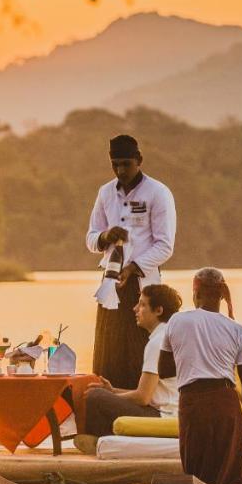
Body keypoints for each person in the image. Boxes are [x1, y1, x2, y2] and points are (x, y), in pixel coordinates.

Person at [158, 268, 242, 484]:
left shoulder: (177, 321)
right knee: (226, 471)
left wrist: (190, 358)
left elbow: (164, 370)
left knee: (197, 469)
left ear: (196, 293)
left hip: (192, 402)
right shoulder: (239, 331)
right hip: (225, 402)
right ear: (221, 296)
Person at [86, 134, 177, 388]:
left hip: (143, 285)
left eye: (126, 163)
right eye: (115, 164)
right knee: (108, 350)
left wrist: (133, 267)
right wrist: (105, 236)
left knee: (140, 350)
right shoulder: (105, 192)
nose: (120, 170)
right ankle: (107, 404)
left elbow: (165, 245)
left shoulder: (158, 192)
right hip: (110, 283)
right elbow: (91, 238)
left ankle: (143, 404)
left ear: (139, 160)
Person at [78, 283, 183, 446]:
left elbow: (143, 397)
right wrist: (113, 391)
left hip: (163, 416)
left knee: (95, 396)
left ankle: (102, 442)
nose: (135, 309)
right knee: (101, 393)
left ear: (158, 311)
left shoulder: (157, 343)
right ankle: (103, 439)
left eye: (142, 305)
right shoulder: (169, 335)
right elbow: (149, 394)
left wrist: (111, 396)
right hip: (170, 411)